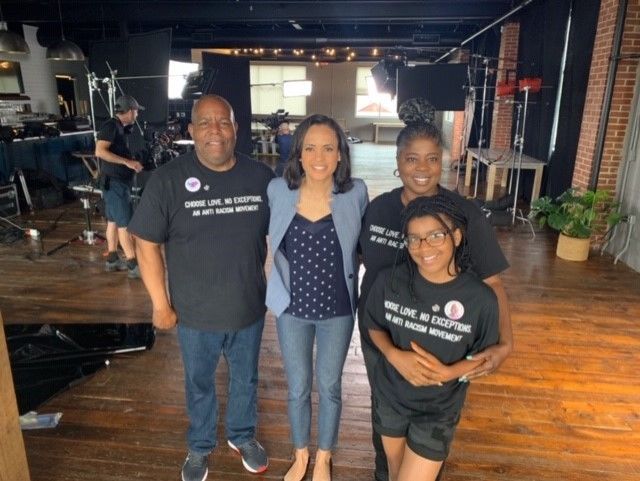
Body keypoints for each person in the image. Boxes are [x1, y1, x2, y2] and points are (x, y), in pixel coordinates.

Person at [358, 98, 513, 481]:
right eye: (412, 159)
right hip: (381, 336)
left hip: (439, 342)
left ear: (442, 160)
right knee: (386, 429)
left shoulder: (465, 215)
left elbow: (493, 283)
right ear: (398, 163)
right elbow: (361, 260)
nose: (422, 169)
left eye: (431, 158)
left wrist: (506, 342)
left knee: (427, 445)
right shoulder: (379, 209)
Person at [128, 95, 274, 481]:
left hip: (248, 307)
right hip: (194, 313)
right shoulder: (167, 181)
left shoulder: (261, 177)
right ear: (191, 132)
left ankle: (242, 435)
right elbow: (144, 242)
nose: (215, 130)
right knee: (198, 383)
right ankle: (200, 445)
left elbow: (291, 230)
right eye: (205, 123)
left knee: (246, 379)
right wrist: (160, 303)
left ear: (235, 128)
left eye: (223, 122)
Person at [363, 195, 500, 481]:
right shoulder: (390, 281)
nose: (424, 247)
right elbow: (373, 325)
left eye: (436, 235)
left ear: (457, 236)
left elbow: (487, 356)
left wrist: (449, 371)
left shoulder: (480, 299)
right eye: (414, 239)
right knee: (394, 472)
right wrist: (393, 354)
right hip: (390, 399)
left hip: (438, 411)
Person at [266, 114, 368, 481]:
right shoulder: (278, 190)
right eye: (310, 147)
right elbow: (269, 242)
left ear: (340, 154)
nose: (319, 156)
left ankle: (324, 456)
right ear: (299, 153)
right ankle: (300, 454)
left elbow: (361, 247)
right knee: (297, 387)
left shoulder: (355, 192)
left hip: (337, 309)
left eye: (329, 147)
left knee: (329, 386)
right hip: (291, 309)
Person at [95, 94, 144, 278]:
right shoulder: (110, 126)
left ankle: (112, 259)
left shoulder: (119, 127)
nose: (138, 114)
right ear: (130, 111)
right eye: (136, 111)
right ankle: (133, 264)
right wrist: (128, 163)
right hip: (114, 184)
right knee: (124, 224)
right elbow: (99, 151)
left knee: (113, 221)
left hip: (114, 183)